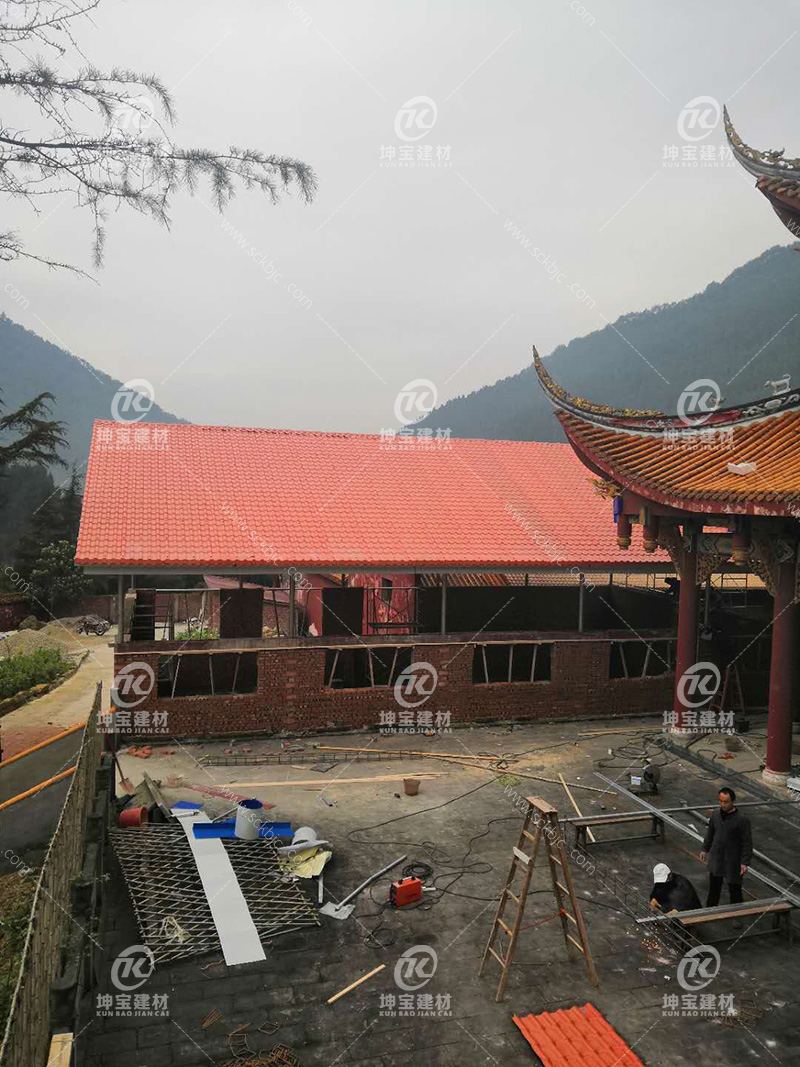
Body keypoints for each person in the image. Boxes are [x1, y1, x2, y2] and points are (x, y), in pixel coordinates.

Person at [700, 786, 752, 908]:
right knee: (714, 889)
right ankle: (710, 910)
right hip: (717, 858)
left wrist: (744, 862)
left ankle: (736, 913)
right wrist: (705, 848)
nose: (723, 804)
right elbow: (710, 833)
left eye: (726, 802)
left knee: (735, 890)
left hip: (733, 860)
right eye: (721, 801)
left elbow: (747, 842)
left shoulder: (742, 820)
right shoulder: (715, 814)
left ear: (732, 801)